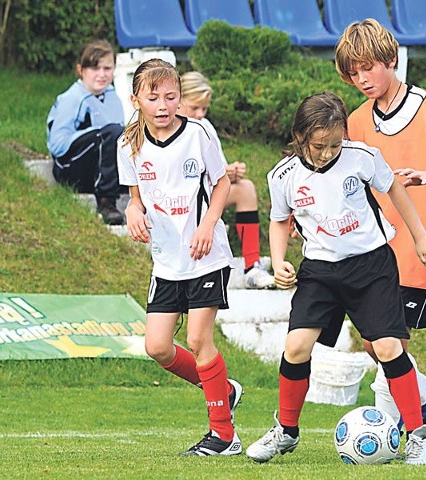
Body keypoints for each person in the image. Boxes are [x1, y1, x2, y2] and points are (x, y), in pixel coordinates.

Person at [245, 92, 426, 465]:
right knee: (295, 348)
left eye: (335, 144)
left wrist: (420, 237)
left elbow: (395, 190)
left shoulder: (362, 157)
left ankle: (418, 436)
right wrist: (277, 262)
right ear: (300, 136)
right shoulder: (283, 175)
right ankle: (286, 432)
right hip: (320, 272)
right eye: (319, 145)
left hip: (371, 267)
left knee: (387, 348)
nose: (327, 152)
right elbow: (279, 220)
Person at [335, 19, 426, 454]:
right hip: (375, 250)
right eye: (352, 73)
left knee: (387, 342)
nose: (361, 80)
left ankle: (405, 430)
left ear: (391, 61)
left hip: (422, 246)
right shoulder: (357, 122)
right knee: (377, 344)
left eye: (368, 68)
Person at [117, 58, 243, 457]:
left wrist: (208, 225)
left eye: (171, 97)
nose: (163, 105)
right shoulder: (128, 144)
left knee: (197, 339)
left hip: (206, 256)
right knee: (157, 347)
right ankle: (223, 390)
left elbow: (221, 183)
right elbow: (135, 201)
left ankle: (224, 436)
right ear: (137, 99)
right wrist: (132, 213)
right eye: (153, 97)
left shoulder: (199, 133)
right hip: (166, 260)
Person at [178, 71, 275, 289]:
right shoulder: (168, 127)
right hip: (177, 200)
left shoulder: (205, 127)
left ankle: (253, 267)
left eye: (204, 108)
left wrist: (229, 173)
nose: (201, 114)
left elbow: (217, 171)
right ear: (179, 100)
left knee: (246, 188)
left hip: (206, 194)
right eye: (194, 107)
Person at [46, 40, 125, 225]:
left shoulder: (113, 97)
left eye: (107, 68)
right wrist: (99, 134)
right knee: (110, 134)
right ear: (81, 70)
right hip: (70, 169)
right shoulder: (72, 98)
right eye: (95, 69)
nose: (102, 75)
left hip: (103, 170)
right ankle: (106, 202)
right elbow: (58, 146)